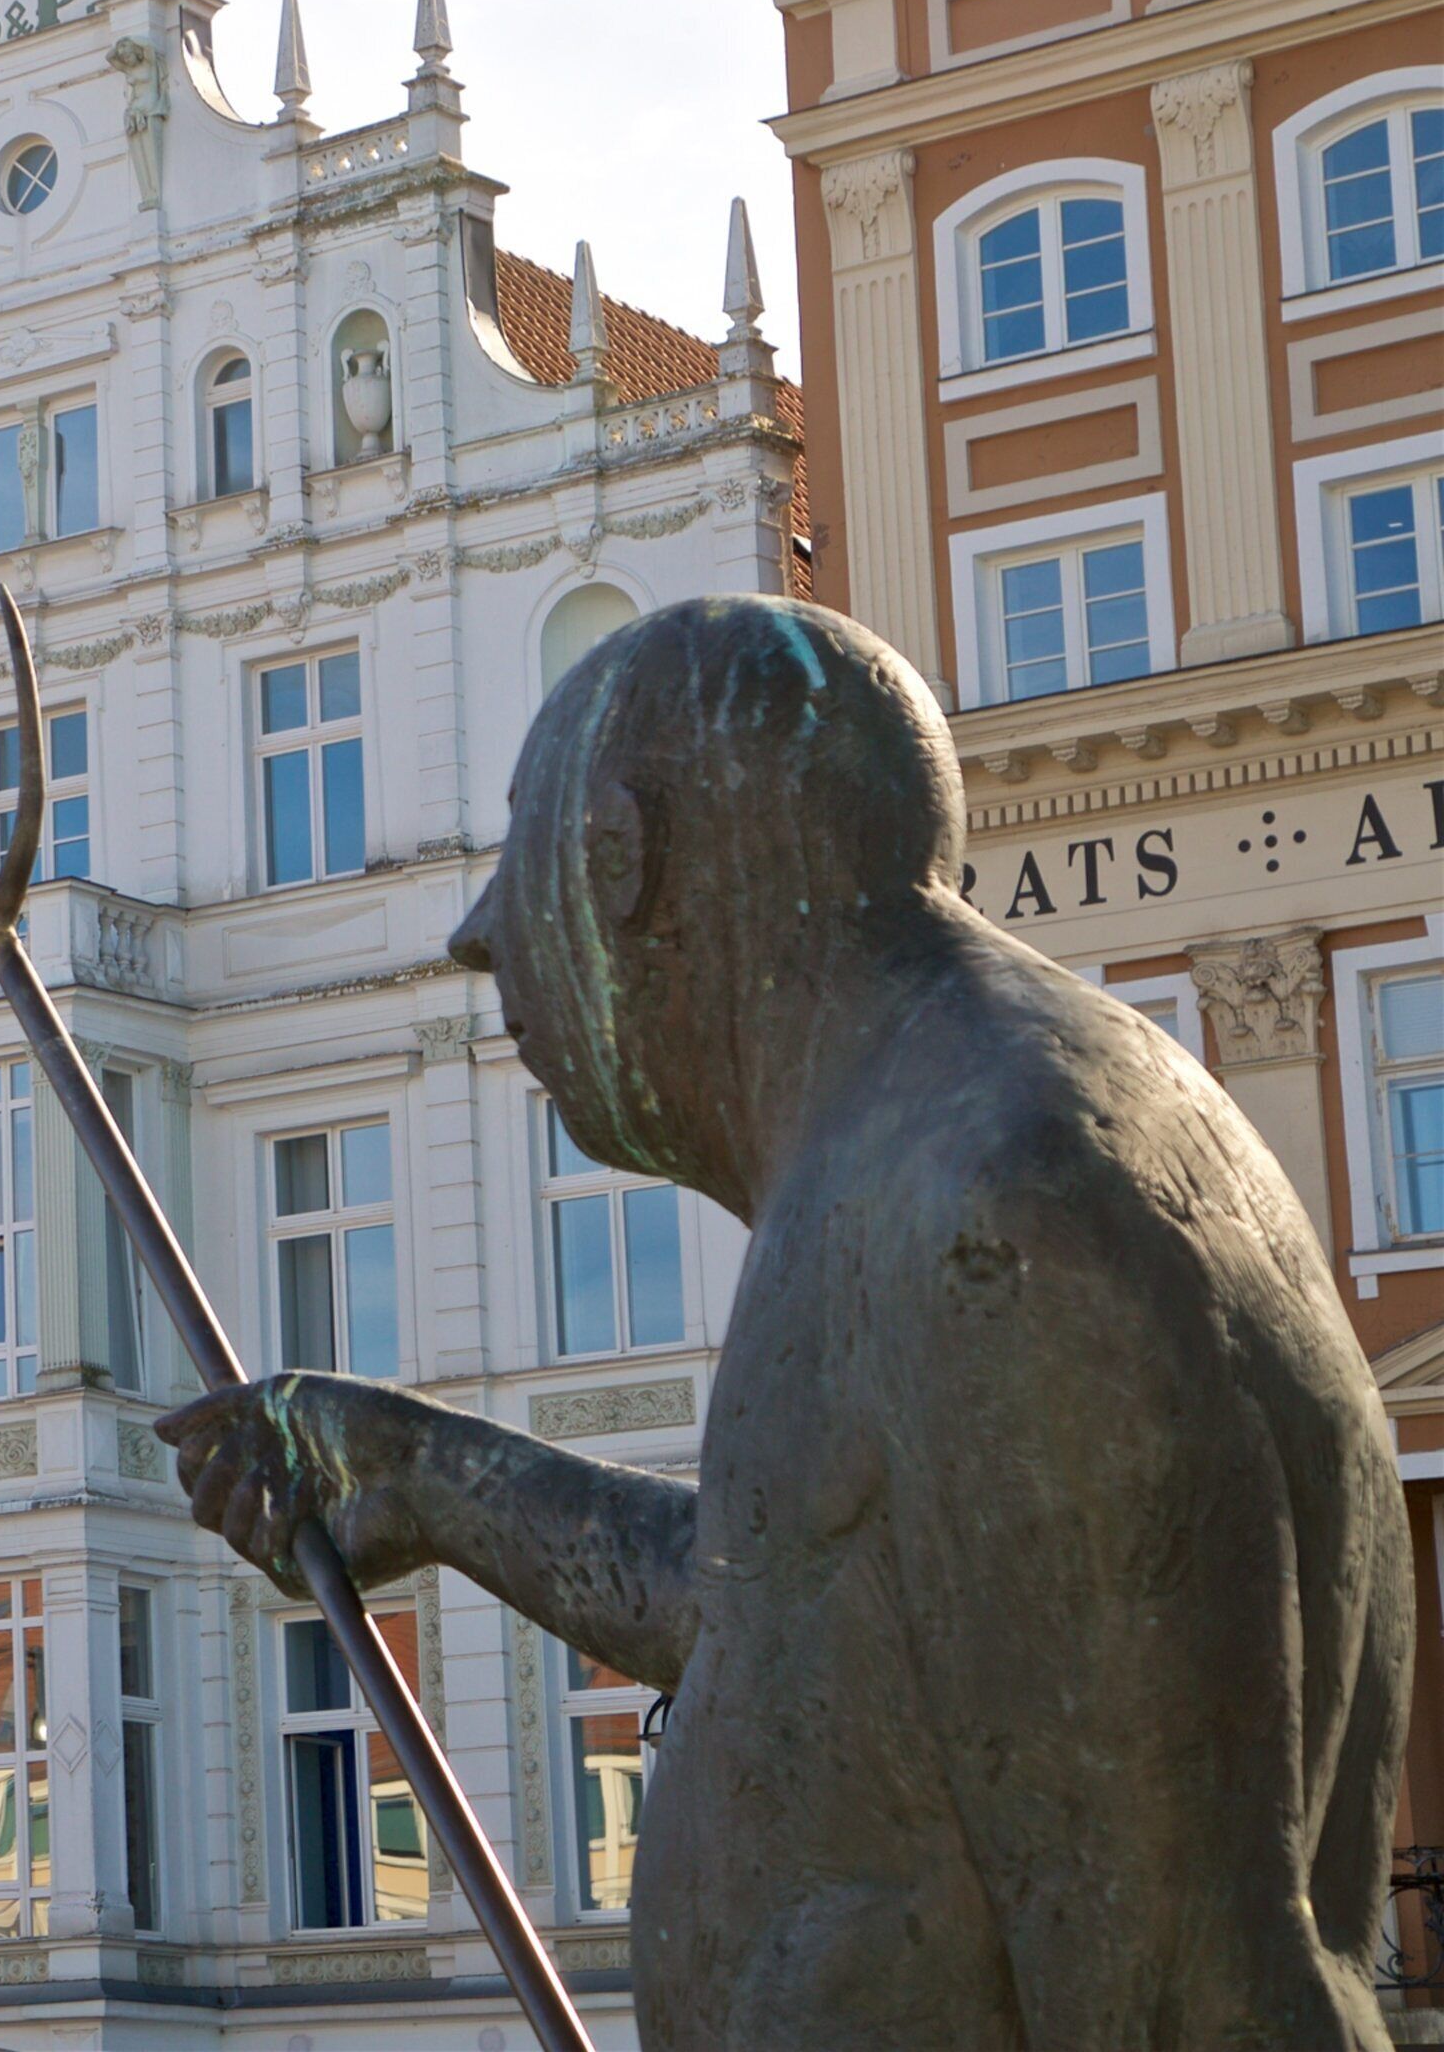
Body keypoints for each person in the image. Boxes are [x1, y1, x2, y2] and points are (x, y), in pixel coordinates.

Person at [161, 597, 1405, 2049]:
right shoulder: (914, 1154)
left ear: (628, 862)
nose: (481, 934)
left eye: (525, 844)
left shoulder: (999, 1207)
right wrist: (421, 1472)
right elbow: (781, 1601)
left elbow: (1203, 2002)